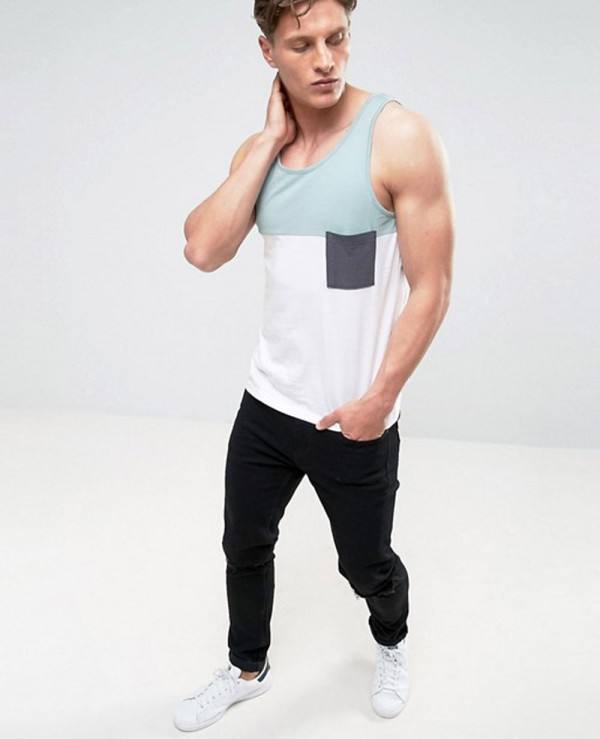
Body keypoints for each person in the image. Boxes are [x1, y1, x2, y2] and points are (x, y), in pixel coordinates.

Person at [174, 0, 454, 731]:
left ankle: (391, 639)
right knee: (244, 545)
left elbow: (432, 285)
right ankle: (247, 668)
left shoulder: (397, 136)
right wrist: (271, 138)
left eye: (338, 38)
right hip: (269, 403)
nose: (326, 60)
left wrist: (378, 400)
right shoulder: (260, 151)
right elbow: (202, 249)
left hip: (353, 414)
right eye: (302, 45)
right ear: (268, 52)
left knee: (366, 565)